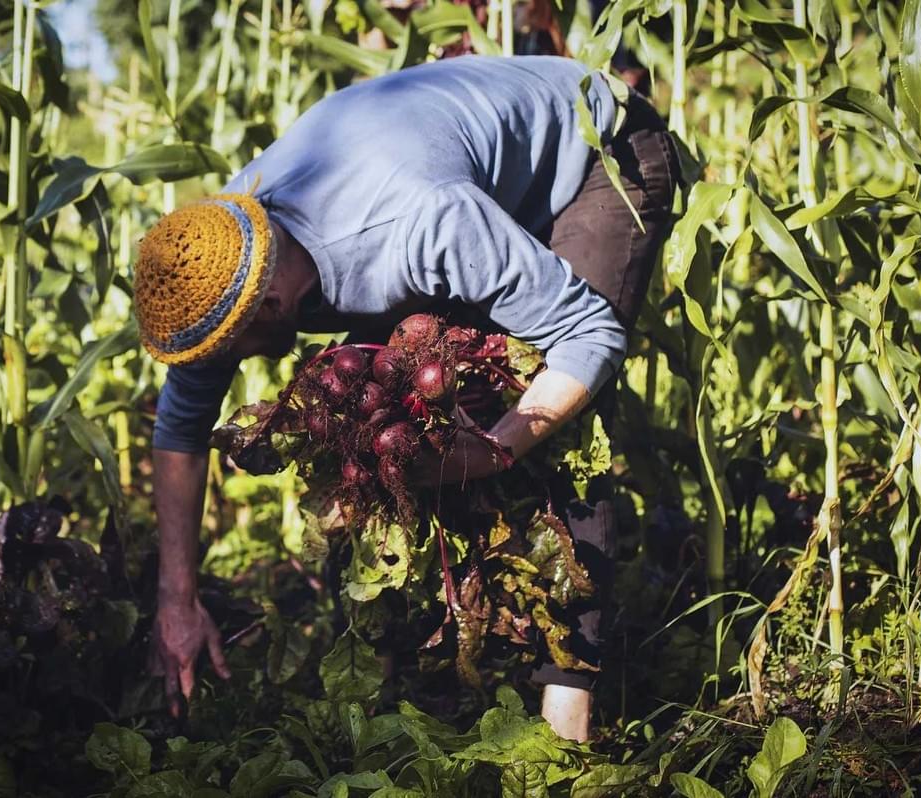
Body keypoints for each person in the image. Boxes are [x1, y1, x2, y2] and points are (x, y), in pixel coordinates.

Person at [136, 54, 681, 742]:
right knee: (389, 416)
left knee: (555, 418)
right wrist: (175, 602)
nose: (226, 368)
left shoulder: (416, 225)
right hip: (458, 183)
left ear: (272, 303)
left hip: (598, 151)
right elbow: (182, 429)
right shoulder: (218, 256)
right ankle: (443, 678)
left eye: (232, 351)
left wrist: (490, 455)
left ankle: (566, 733)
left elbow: (588, 335)